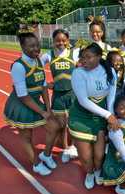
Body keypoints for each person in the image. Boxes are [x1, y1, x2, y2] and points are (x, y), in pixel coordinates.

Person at [4, 31, 63, 175]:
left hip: (36, 103)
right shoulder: (18, 66)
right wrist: (43, 112)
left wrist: (48, 109)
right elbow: (23, 96)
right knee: (26, 136)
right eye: (31, 46)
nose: (36, 49)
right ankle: (36, 164)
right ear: (22, 47)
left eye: (37, 45)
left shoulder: (39, 61)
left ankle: (46, 155)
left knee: (54, 126)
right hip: (21, 105)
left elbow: (43, 87)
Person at [68, 43, 119, 189]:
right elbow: (83, 101)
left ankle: (97, 170)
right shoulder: (78, 73)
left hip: (100, 118)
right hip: (81, 118)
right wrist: (108, 115)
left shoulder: (110, 71)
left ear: (98, 57)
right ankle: (89, 173)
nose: (84, 60)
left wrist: (109, 116)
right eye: (82, 57)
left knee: (99, 155)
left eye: (88, 57)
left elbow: (111, 96)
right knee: (85, 157)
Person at [41, 29, 78, 163]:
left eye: (63, 40)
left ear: (67, 41)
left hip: (72, 94)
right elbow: (35, 67)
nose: (60, 43)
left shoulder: (75, 53)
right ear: (53, 41)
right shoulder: (48, 55)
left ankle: (73, 147)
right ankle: (66, 148)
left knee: (72, 122)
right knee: (61, 125)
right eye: (57, 40)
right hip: (58, 96)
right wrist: (46, 84)